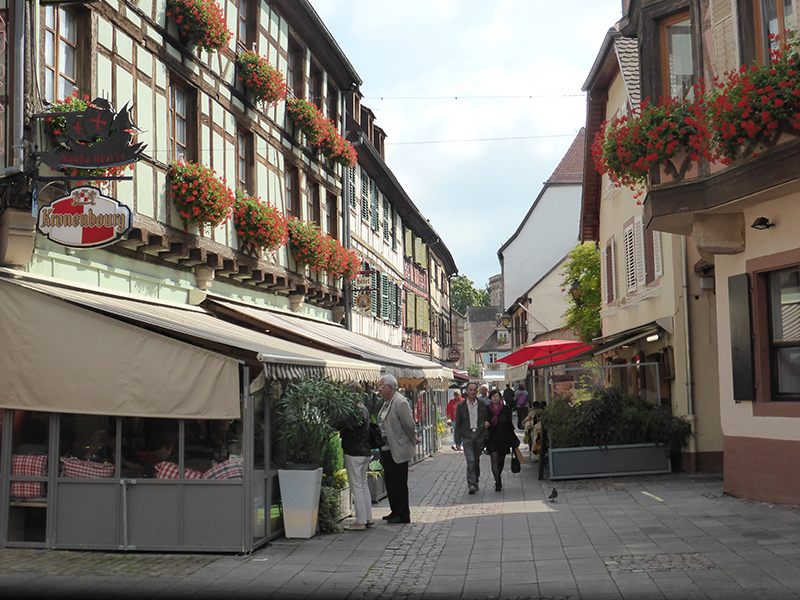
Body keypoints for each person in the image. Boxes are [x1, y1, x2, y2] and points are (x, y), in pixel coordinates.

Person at [377, 374, 418, 524]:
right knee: (390, 481)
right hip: (387, 448)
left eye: (381, 386)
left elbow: (409, 424)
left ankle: (402, 514)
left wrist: (413, 440)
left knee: (399, 482)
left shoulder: (400, 402)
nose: (379, 390)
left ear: (389, 388)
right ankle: (395, 510)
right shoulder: (388, 402)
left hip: (397, 448)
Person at [340, 398, 373, 531]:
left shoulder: (352, 411)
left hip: (354, 452)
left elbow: (342, 426)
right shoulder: (363, 408)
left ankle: (360, 521)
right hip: (365, 450)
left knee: (356, 486)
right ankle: (368, 517)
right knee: (363, 484)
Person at [454, 381, 489, 494]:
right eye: (471, 390)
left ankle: (475, 480)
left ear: (477, 391)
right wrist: (457, 441)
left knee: (476, 460)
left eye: (475, 390)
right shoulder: (461, 406)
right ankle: (471, 483)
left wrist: (484, 431)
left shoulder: (482, 404)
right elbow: (458, 423)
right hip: (467, 435)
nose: (473, 392)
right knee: (471, 460)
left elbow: (486, 418)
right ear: (467, 391)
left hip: (478, 435)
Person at [485, 388, 521, 491]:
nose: (495, 398)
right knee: (494, 458)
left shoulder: (505, 409)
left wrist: (513, 439)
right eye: (493, 396)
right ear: (490, 398)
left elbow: (510, 424)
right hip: (492, 438)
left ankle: (498, 476)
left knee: (501, 460)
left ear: (500, 398)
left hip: (504, 437)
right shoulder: (487, 409)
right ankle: (497, 481)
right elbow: (483, 420)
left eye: (497, 396)